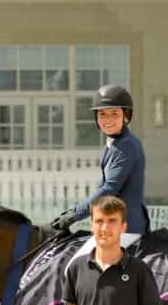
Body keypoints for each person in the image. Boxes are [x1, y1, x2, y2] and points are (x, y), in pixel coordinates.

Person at [50, 84, 149, 235]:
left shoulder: (126, 146)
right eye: (102, 114)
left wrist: (75, 214)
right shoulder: (115, 143)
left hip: (126, 229)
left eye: (114, 113)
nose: (108, 119)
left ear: (126, 116)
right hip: (111, 225)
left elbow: (109, 189)